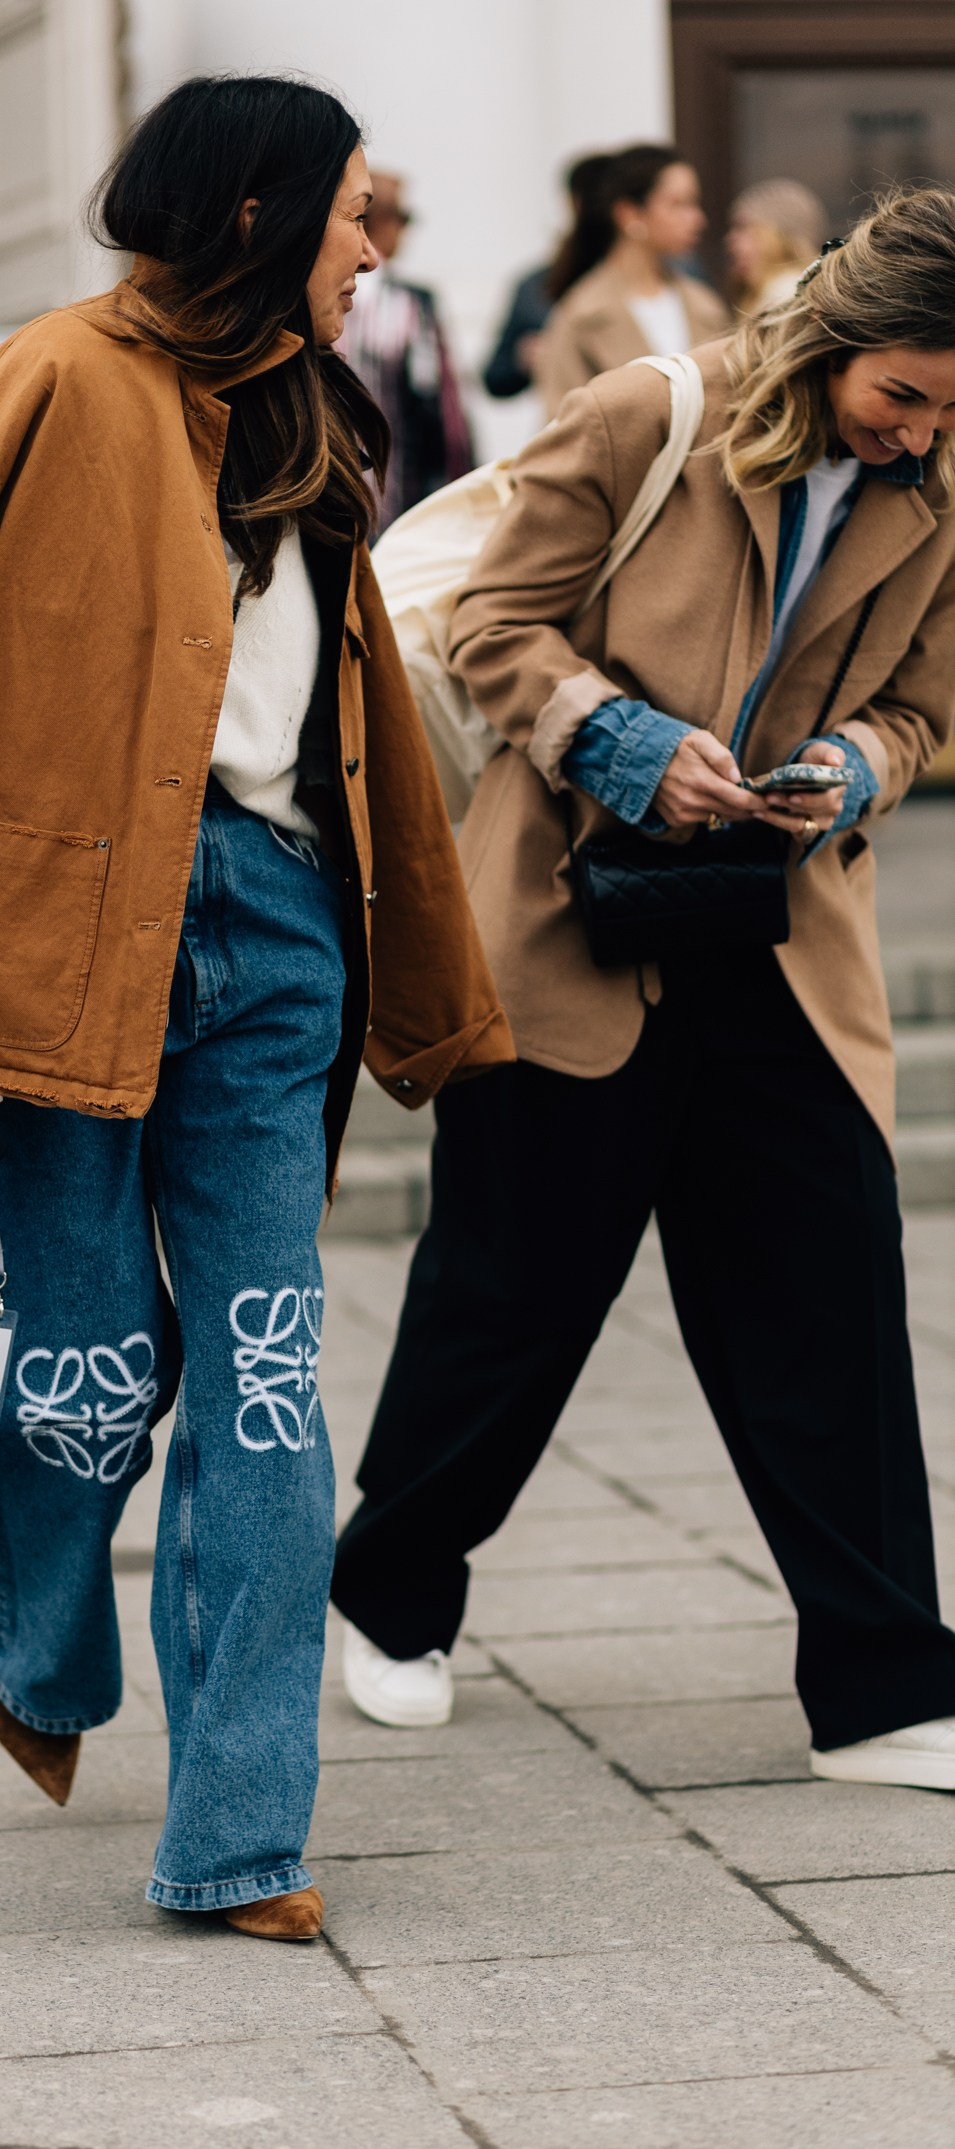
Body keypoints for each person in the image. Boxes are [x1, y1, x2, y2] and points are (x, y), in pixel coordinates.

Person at [0, 76, 511, 1941]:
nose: (373, 252)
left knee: (262, 1377)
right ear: (255, 212)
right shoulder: (51, 384)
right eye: (350, 217)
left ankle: (238, 1838)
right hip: (43, 923)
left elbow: (345, 712)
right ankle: (41, 1652)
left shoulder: (321, 415)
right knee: (81, 1381)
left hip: (271, 928)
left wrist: (403, 952)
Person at [334, 186, 955, 1796]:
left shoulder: (944, 481)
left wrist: (848, 764)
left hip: (778, 933)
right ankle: (387, 1598)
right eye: (898, 395)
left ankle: (884, 1681)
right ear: (827, 343)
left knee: (826, 1300)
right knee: (509, 1294)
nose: (914, 437)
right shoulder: (641, 414)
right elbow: (490, 622)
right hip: (565, 912)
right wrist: (617, 741)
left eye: (948, 411)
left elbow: (924, 709)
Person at [535, 142, 727, 418]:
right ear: (629, 214)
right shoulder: (581, 315)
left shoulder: (704, 305)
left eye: (694, 204)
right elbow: (562, 428)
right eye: (679, 204)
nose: (698, 219)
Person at [338, 169, 472, 534]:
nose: (406, 231)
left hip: (334, 496)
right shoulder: (410, 303)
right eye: (405, 218)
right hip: (398, 496)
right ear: (378, 220)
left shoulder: (313, 294)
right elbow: (441, 408)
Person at [481, 153, 613, 402]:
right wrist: (524, 357)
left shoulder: (677, 282)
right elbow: (495, 378)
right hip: (572, 422)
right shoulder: (537, 286)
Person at [726, 177, 828, 316]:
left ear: (776, 236)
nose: (731, 240)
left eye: (743, 228)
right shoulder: (804, 290)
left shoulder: (786, 294)